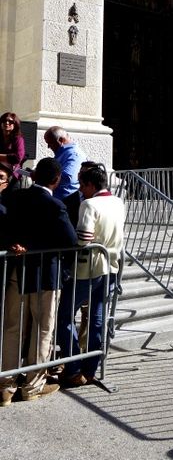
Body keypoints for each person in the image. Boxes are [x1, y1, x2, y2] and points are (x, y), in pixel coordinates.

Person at [0, 157, 77, 406]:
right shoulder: (55, 206)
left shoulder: (15, 198)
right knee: (42, 330)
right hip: (46, 275)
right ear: (57, 180)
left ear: (33, 176)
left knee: (13, 328)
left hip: (18, 271)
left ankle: (6, 386)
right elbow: (70, 240)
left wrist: (18, 244)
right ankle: (33, 385)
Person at [57, 164, 125, 386]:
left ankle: (74, 367)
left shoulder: (89, 204)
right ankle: (90, 368)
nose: (80, 189)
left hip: (88, 268)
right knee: (97, 319)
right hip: (111, 266)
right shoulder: (118, 202)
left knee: (64, 316)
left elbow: (83, 236)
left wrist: (79, 242)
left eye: (82, 184)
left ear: (90, 185)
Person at [44, 126, 87, 226]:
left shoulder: (74, 154)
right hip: (60, 201)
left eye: (50, 143)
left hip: (68, 202)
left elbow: (68, 177)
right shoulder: (63, 153)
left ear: (61, 140)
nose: (49, 147)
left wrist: (43, 176)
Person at [0, 112, 25, 191]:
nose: (7, 123)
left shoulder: (18, 139)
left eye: (10, 121)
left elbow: (17, 158)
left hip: (12, 178)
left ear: (15, 124)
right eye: (4, 121)